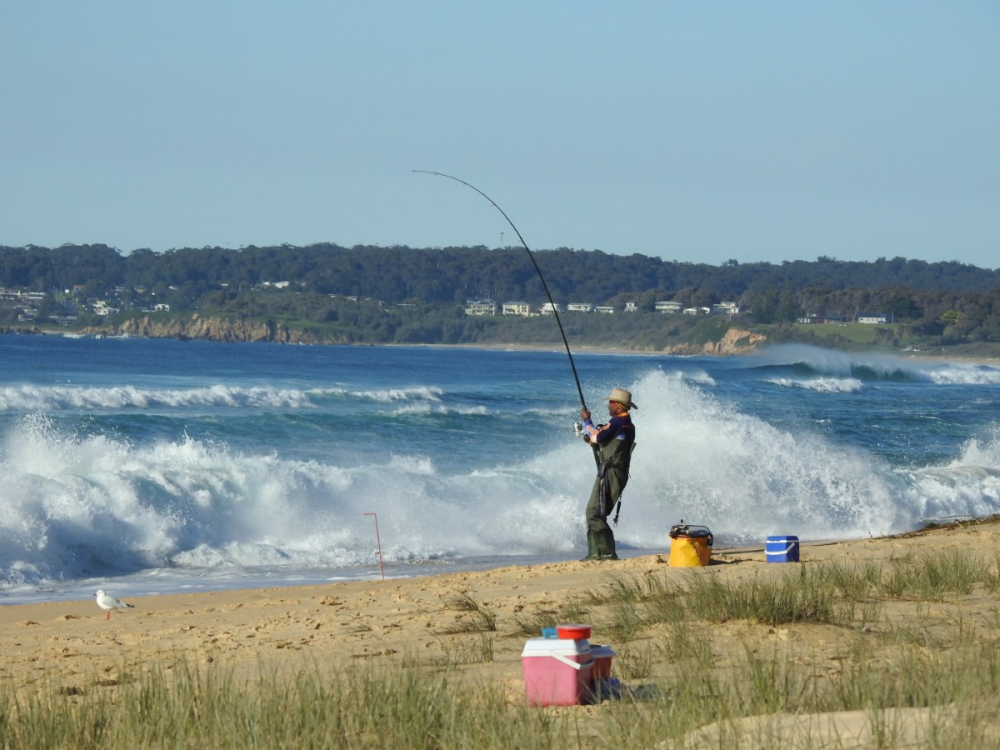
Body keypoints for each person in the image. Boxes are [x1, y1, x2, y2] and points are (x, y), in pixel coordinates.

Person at [579, 387, 637, 561]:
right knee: (599, 511)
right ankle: (600, 552)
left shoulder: (618, 422)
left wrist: (587, 421)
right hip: (616, 472)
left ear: (619, 406)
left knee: (594, 511)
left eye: (611, 403)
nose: (608, 406)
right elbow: (603, 437)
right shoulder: (627, 424)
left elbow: (596, 437)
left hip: (611, 472)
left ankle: (603, 553)